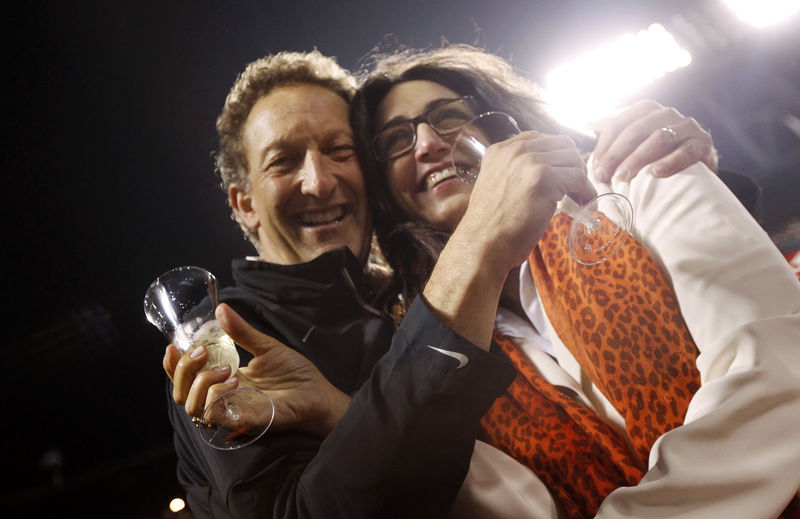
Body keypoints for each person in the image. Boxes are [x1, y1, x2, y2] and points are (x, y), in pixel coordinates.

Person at [161, 48, 746, 518]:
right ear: (244, 205)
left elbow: (504, 489)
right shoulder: (228, 343)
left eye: (340, 151)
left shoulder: (420, 308)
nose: (319, 181)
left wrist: (695, 177)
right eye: (283, 161)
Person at [349, 44, 800, 518]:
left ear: (501, 125)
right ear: (383, 193)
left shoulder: (632, 174)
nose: (427, 143)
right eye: (396, 140)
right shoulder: (443, 360)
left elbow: (779, 362)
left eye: (447, 116)